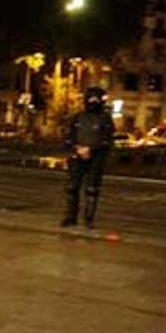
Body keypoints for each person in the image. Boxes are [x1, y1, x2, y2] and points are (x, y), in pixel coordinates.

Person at [61, 86, 116, 227]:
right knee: (72, 187)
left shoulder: (105, 119)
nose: (93, 102)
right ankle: (70, 217)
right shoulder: (78, 117)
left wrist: (91, 149)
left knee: (92, 188)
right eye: (91, 98)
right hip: (77, 156)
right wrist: (77, 147)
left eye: (95, 99)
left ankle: (89, 219)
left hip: (96, 158)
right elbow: (69, 136)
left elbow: (107, 140)